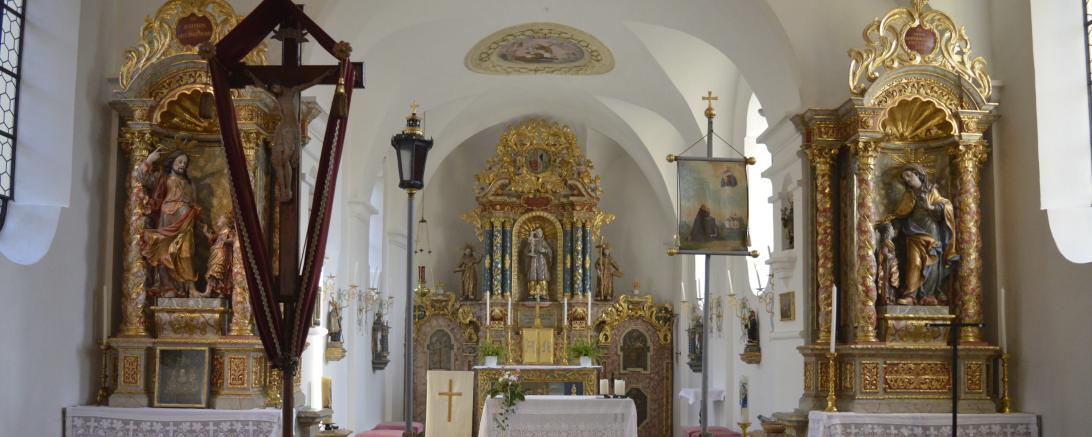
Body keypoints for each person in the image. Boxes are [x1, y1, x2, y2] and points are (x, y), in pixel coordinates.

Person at [884, 165, 957, 305]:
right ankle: (910, 295)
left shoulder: (931, 191)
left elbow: (945, 206)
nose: (907, 180)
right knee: (914, 263)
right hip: (913, 232)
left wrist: (930, 207)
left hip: (931, 232)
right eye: (904, 178)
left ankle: (928, 295)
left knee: (933, 262)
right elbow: (900, 214)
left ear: (919, 175)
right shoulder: (908, 195)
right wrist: (893, 231)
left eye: (909, 176)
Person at [137, 145, 201, 298]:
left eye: (185, 163)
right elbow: (142, 178)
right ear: (172, 162)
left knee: (186, 253)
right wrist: (149, 161)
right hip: (167, 218)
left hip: (186, 220)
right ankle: (169, 287)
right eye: (179, 162)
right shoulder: (163, 178)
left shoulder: (189, 183)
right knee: (165, 251)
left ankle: (190, 287)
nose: (182, 165)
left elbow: (194, 202)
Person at [201, 215, 235, 298]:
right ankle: (208, 291)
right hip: (215, 254)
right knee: (212, 272)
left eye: (220, 218)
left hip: (223, 254)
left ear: (226, 221)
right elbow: (212, 238)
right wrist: (205, 232)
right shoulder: (220, 233)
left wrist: (226, 240)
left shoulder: (229, 231)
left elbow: (234, 240)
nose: (218, 220)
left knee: (219, 272)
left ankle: (221, 292)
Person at [524, 227, 552, 300]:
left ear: (542, 233)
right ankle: (532, 293)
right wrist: (529, 253)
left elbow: (549, 251)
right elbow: (526, 251)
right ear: (535, 233)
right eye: (537, 232)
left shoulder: (543, 242)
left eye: (540, 232)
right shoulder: (532, 241)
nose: (539, 234)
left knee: (542, 275)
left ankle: (543, 293)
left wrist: (544, 251)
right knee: (533, 276)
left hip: (542, 260)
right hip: (533, 260)